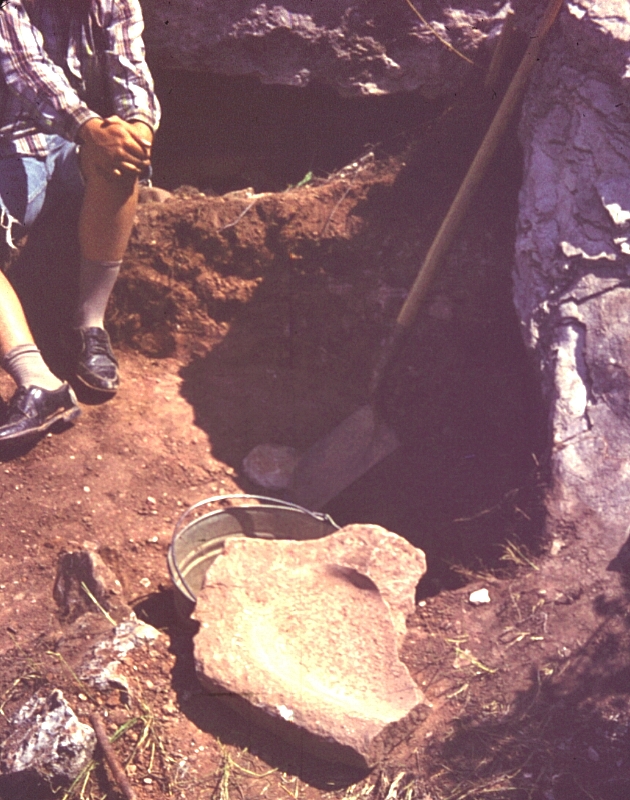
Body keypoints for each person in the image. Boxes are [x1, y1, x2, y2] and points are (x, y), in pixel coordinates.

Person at [0, 0, 160, 442]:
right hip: (11, 147)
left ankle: (89, 329)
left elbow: (133, 75)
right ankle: (39, 380)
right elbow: (29, 73)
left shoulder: (115, 3)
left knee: (122, 158)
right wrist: (93, 129)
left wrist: (137, 133)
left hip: (75, 146)